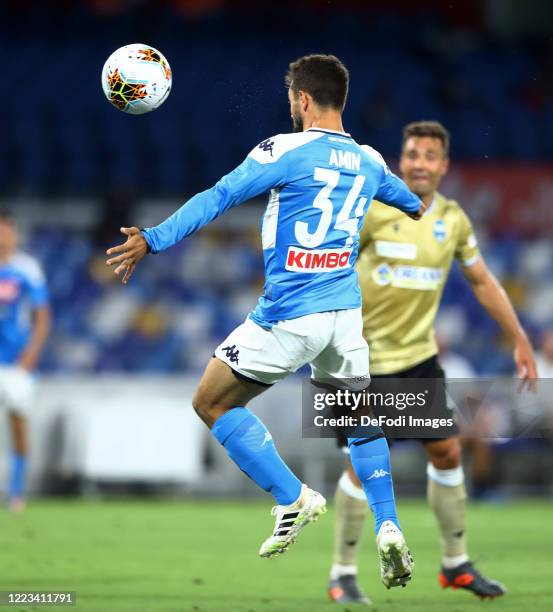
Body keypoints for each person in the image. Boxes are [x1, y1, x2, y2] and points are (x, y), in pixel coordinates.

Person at [106, 54, 424, 588]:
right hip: (344, 317)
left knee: (211, 400)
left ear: (302, 100)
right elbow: (411, 204)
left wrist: (153, 238)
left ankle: (293, 497)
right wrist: (410, 202)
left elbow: (221, 195)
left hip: (289, 315)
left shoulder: (283, 149)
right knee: (361, 417)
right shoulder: (369, 160)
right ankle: (388, 523)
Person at [328, 121, 537, 604]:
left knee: (446, 451)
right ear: (401, 161)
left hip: (418, 359)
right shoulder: (373, 211)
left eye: (429, 156)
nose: (420, 163)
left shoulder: (454, 219)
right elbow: (330, 263)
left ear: (444, 166)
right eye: (413, 154)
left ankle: (455, 565)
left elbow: (483, 281)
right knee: (363, 470)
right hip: (359, 361)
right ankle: (342, 573)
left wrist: (519, 337)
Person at [0, 211, 50, 512]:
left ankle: (16, 492)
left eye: (6, 230)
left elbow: (42, 316)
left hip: (17, 361)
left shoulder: (27, 269)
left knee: (18, 422)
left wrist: (32, 353)